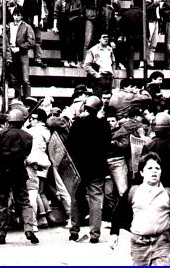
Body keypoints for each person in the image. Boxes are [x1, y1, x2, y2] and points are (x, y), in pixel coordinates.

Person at [109, 152, 170, 266]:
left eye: (157, 168)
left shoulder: (169, 193)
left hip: (163, 242)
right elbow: (118, 212)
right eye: (149, 168)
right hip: (139, 243)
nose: (154, 171)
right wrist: (114, 234)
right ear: (142, 172)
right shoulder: (133, 191)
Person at [0, 109, 39, 245]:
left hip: (1, 171)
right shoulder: (27, 136)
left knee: (2, 203)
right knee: (24, 201)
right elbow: (27, 153)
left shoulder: (0, 134)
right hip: (19, 171)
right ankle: (29, 229)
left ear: (8, 121)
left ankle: (1, 233)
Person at [68, 96, 111, 243]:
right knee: (96, 200)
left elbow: (70, 145)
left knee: (75, 199)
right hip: (97, 167)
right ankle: (94, 234)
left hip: (79, 167)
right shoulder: (104, 125)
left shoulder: (78, 123)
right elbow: (107, 146)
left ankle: (74, 231)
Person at [18, 0, 48, 68]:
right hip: (27, 19)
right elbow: (20, 6)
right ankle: (23, 59)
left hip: (37, 19)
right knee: (26, 39)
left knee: (38, 40)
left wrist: (41, 19)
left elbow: (41, 7)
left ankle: (38, 59)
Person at [8, 7, 35, 100]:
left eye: (18, 15)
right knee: (14, 78)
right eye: (15, 15)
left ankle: (28, 98)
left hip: (22, 54)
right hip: (11, 54)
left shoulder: (27, 27)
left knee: (25, 79)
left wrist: (20, 48)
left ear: (21, 16)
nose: (16, 17)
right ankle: (17, 99)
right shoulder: (9, 26)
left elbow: (31, 42)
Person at [83, 33, 116, 98]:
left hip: (109, 78)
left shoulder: (110, 49)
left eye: (107, 37)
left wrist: (113, 72)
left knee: (108, 99)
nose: (106, 39)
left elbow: (113, 62)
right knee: (97, 99)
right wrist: (96, 75)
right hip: (99, 78)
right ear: (99, 39)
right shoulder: (93, 50)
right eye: (104, 37)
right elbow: (86, 66)